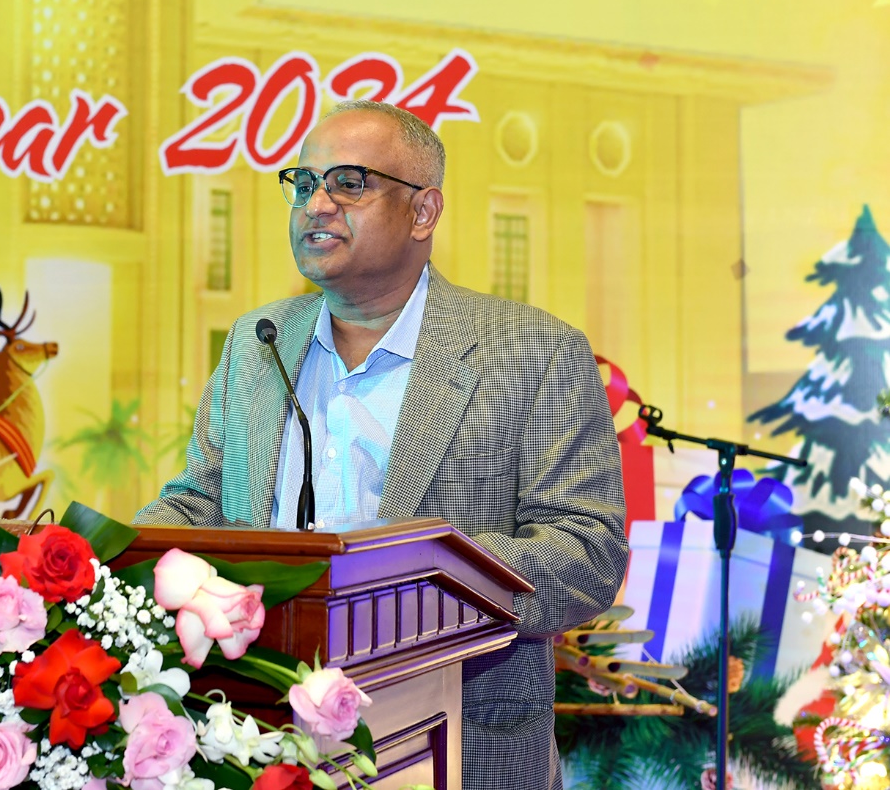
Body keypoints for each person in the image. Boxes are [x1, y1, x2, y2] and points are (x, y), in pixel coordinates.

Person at [134, 100, 628, 790]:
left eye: (349, 183)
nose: (317, 205)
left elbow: (586, 554)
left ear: (423, 211)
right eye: (304, 184)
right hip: (254, 739)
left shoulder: (534, 352)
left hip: (457, 742)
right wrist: (103, 568)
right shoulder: (257, 342)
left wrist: (408, 578)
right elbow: (197, 506)